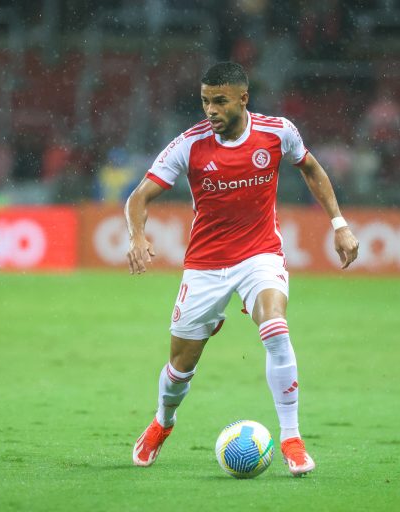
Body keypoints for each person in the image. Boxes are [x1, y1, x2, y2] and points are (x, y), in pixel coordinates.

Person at [125, 62, 359, 476]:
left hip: (260, 254)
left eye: (219, 101)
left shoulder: (277, 131)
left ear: (243, 99)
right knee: (181, 367)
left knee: (274, 327)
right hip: (205, 264)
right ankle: (163, 422)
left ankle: (292, 438)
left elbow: (311, 168)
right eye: (204, 101)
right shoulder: (189, 145)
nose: (210, 110)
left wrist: (339, 225)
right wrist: (137, 236)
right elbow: (139, 197)